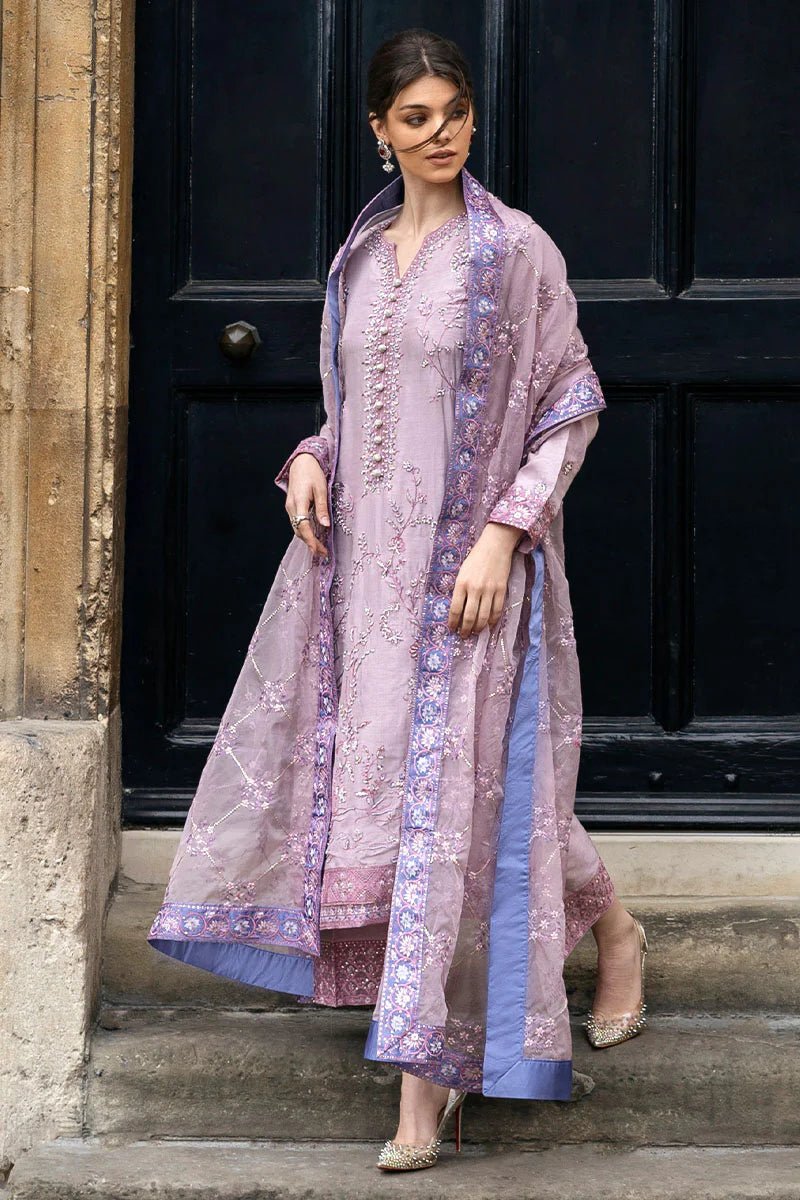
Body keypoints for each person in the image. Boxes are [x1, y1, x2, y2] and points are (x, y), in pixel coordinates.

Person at [147, 27, 649, 1174]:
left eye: (453, 113)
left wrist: (502, 539)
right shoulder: (359, 259)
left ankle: (423, 1095)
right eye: (415, 118)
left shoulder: (513, 251)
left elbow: (570, 403)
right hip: (357, 583)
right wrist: (312, 456)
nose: (439, 134)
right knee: (449, 800)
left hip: (466, 581)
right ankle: (614, 929)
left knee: (454, 808)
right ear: (377, 132)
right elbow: (354, 405)